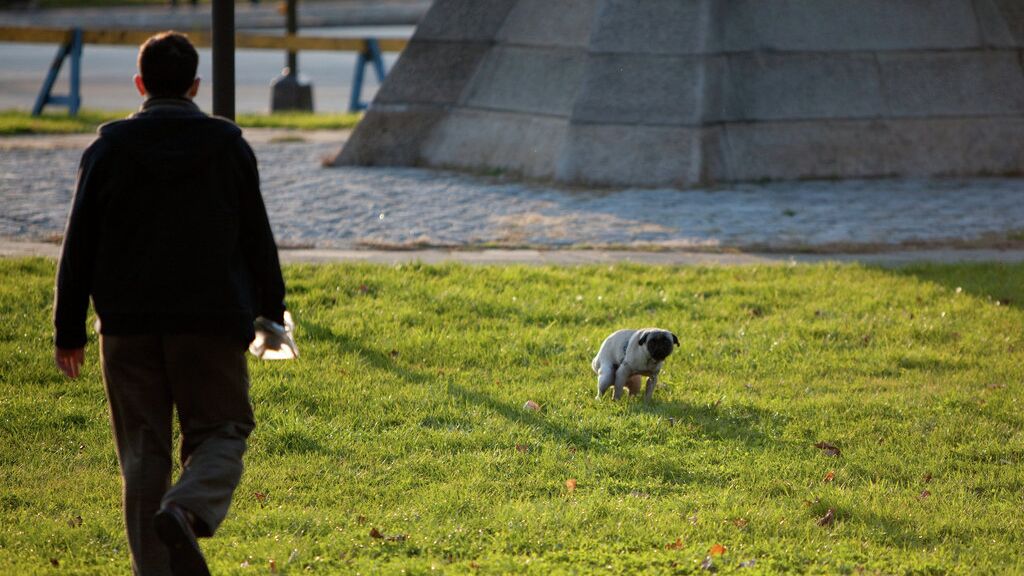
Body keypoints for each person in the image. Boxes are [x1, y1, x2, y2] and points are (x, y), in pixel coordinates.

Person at [52, 31, 286, 576]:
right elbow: (258, 239)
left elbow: (77, 245)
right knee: (222, 430)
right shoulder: (228, 148)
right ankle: (188, 509)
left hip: (128, 328)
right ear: (196, 85)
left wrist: (69, 331)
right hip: (212, 323)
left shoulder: (107, 151)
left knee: (142, 455)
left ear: (139, 85)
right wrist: (270, 312)